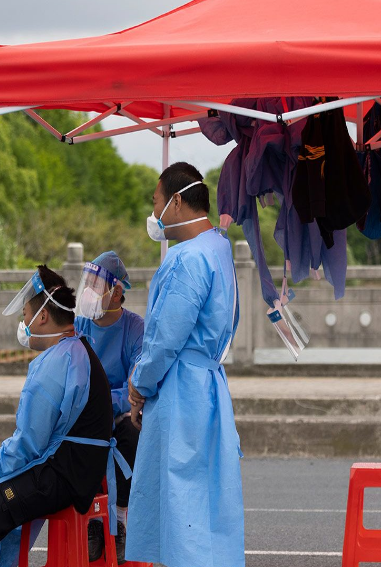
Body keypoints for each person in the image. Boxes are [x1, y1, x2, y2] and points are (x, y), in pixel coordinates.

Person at [0, 265, 115, 567]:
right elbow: (34, 440)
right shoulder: (76, 348)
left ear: (42, 317)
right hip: (75, 469)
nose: (23, 321)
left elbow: (29, 443)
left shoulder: (55, 362)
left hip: (64, 476)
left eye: (25, 314)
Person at [126, 162, 245, 567]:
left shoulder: (186, 259)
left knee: (182, 500)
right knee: (208, 499)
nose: (154, 211)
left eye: (156, 201)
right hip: (209, 383)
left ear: (176, 202)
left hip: (181, 387)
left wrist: (139, 384)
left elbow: (165, 338)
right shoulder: (219, 247)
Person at [74, 251, 144, 564]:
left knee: (131, 431)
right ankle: (89, 520)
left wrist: (107, 401)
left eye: (96, 284)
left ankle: (118, 518)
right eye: (87, 283)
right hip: (84, 412)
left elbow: (135, 382)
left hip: (117, 413)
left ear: (116, 292)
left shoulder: (134, 328)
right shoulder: (79, 324)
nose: (89, 290)